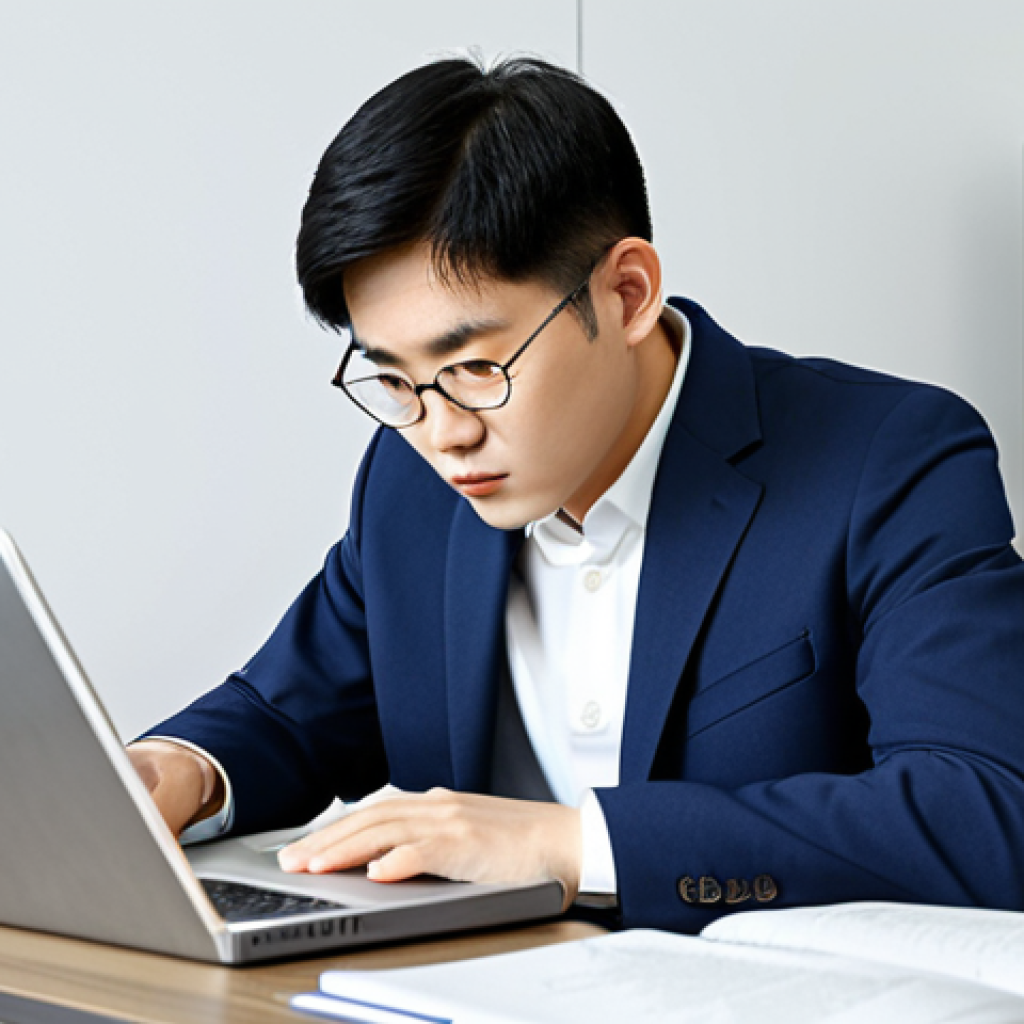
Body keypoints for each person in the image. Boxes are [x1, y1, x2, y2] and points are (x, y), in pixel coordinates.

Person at [128, 54, 1024, 933]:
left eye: (476, 366)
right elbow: (288, 711)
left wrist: (569, 846)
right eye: (394, 379)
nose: (443, 432)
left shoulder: (888, 459)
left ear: (627, 294)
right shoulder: (409, 480)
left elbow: (986, 811)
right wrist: (178, 771)